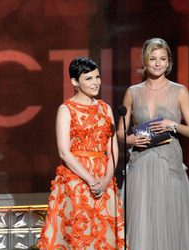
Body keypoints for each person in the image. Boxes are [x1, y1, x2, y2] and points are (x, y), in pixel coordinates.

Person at [117, 38, 189, 250]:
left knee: (169, 221)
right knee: (141, 223)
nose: (157, 63)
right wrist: (130, 139)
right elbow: (120, 132)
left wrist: (173, 124)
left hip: (169, 166)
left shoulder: (179, 91)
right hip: (141, 165)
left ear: (169, 62)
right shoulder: (133, 92)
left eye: (162, 59)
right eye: (153, 58)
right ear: (145, 61)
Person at [38, 57, 125, 249]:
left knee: (105, 235)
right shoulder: (66, 109)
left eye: (97, 77)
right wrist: (91, 180)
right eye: (89, 78)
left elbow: (113, 149)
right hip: (76, 180)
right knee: (80, 234)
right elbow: (64, 151)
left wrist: (106, 179)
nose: (96, 82)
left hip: (104, 179)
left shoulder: (105, 108)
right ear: (75, 82)